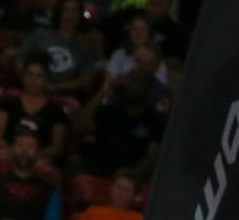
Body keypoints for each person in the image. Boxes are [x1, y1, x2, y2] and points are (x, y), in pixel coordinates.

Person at [70, 46, 169, 179]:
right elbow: (79, 127)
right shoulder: (112, 111)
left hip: (127, 174)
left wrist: (133, 173)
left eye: (134, 83)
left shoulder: (153, 119)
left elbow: (152, 157)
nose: (128, 86)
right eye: (128, 81)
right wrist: (103, 92)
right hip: (98, 166)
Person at [0, 51, 68, 163]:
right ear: (23, 77)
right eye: (29, 75)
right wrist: (15, 153)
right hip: (9, 155)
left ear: (47, 79)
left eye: (39, 76)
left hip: (39, 160)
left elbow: (57, 147)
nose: (33, 80)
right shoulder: (7, 103)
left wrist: (33, 156)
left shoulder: (56, 111)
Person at [19, 0, 98, 97]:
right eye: (66, 10)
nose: (70, 15)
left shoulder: (84, 48)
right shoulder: (39, 36)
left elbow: (86, 80)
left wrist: (55, 87)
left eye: (75, 11)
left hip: (62, 98)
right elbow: (19, 60)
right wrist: (30, 83)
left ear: (80, 15)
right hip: (29, 93)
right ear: (59, 13)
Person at [104, 17, 170, 85]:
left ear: (149, 34)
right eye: (134, 29)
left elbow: (160, 83)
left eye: (142, 30)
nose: (137, 33)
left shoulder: (155, 56)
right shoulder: (119, 54)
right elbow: (109, 80)